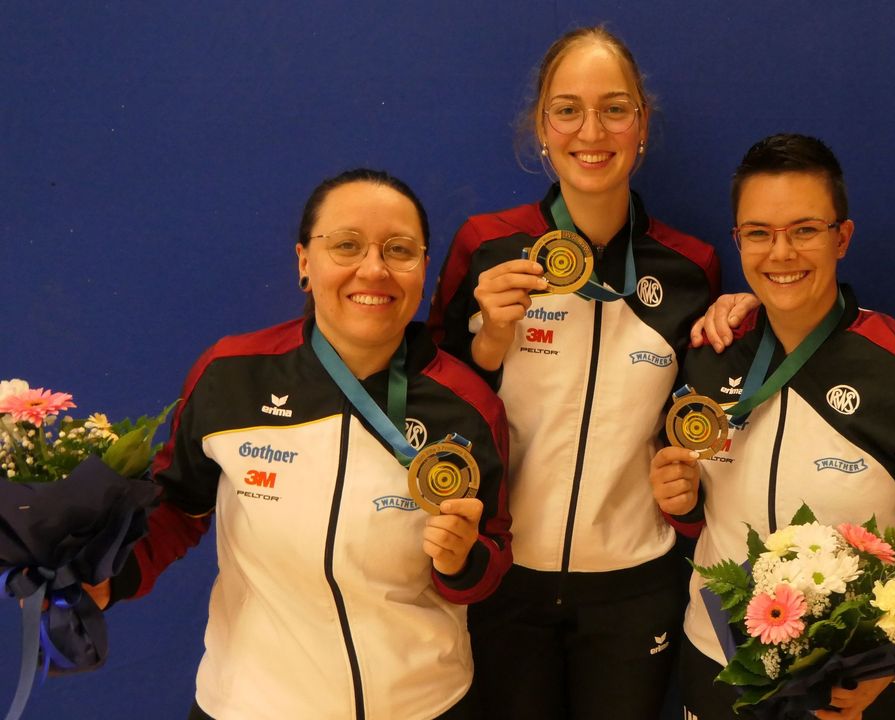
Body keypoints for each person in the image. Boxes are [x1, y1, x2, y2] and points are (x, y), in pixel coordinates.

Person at [98, 168, 512, 719]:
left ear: (423, 269)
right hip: (249, 705)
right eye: (346, 245)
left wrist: (462, 561)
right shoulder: (231, 376)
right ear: (303, 263)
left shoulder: (468, 405)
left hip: (424, 706)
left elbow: (493, 555)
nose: (374, 268)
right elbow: (177, 507)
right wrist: (108, 576)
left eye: (400, 250)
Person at [426, 26, 720, 720]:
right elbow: (434, 405)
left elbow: (705, 412)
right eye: (568, 109)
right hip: (506, 581)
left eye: (615, 108)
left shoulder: (692, 265)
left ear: (641, 125)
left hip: (634, 584)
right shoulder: (486, 244)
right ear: (542, 126)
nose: (592, 130)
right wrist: (490, 342)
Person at [650, 134, 895, 720]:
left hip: (850, 685)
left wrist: (890, 658)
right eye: (759, 233)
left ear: (841, 237)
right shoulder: (711, 351)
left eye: (804, 230)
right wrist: (682, 503)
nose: (781, 253)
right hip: (717, 662)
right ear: (737, 240)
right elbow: (703, 516)